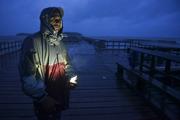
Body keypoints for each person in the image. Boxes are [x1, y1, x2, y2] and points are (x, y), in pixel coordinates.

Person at [18, 7, 78, 120]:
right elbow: (27, 77)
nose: (57, 21)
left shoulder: (60, 43)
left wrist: (71, 78)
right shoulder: (32, 41)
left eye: (59, 19)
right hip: (45, 97)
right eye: (53, 18)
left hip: (61, 94)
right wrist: (42, 97)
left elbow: (67, 65)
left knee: (57, 116)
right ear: (44, 20)